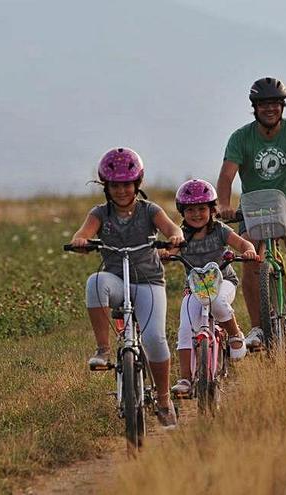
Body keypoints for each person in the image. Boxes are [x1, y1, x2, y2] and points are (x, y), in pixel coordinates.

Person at [68, 147, 184, 429]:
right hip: (117, 281)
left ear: (137, 185)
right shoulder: (100, 213)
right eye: (115, 185)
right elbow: (81, 234)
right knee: (95, 282)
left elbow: (172, 229)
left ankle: (164, 399)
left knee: (155, 339)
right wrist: (81, 242)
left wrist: (175, 238)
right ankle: (104, 349)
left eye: (126, 185)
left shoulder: (149, 210)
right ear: (106, 187)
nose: (121, 191)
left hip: (149, 282)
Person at [217, 77, 286, 350]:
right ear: (255, 108)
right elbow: (227, 175)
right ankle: (257, 328)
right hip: (255, 203)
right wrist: (223, 206)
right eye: (263, 104)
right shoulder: (241, 137)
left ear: (282, 106)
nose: (269, 109)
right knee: (251, 255)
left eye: (275, 103)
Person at [165, 179, 258, 398]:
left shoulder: (220, 231)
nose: (196, 214)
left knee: (217, 301)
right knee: (186, 328)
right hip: (194, 288)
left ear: (212, 209)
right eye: (190, 210)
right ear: (182, 211)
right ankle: (186, 379)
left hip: (223, 282)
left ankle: (235, 334)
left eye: (201, 209)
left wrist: (249, 251)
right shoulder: (182, 235)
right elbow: (170, 251)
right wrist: (165, 255)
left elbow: (243, 244)